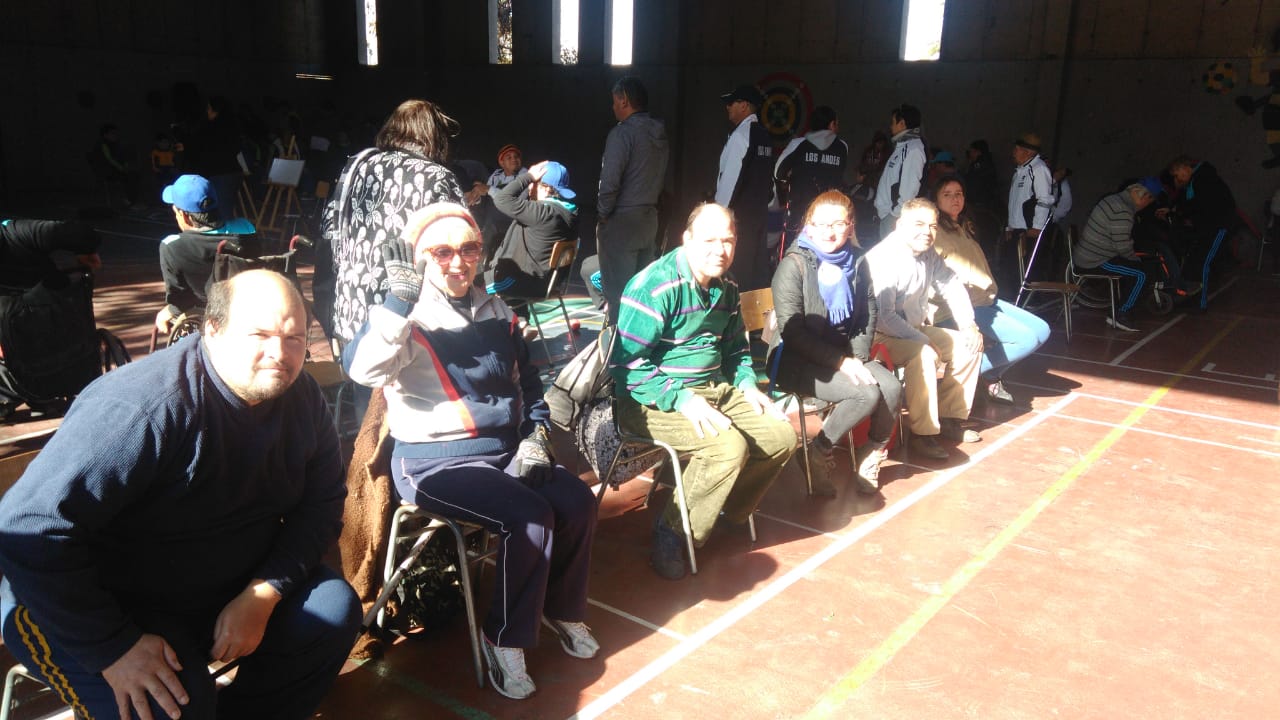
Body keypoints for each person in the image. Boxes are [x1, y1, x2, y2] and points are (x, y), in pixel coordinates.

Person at [0, 269, 361, 720]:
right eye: (260, 335)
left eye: (294, 339)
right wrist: (113, 647)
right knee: (172, 704)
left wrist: (265, 592)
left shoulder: (302, 397)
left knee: (331, 611)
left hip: (214, 592)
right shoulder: (145, 407)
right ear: (213, 329)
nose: (280, 354)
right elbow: (27, 527)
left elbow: (322, 504)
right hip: (89, 604)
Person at [344, 203, 598, 701]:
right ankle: (502, 638)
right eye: (441, 252)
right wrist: (397, 303)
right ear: (418, 257)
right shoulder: (407, 314)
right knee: (528, 517)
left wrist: (536, 434)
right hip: (433, 461)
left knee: (577, 502)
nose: (458, 261)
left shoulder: (496, 309)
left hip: (504, 450)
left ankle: (561, 609)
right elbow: (363, 370)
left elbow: (527, 380)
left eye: (469, 249)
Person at [610, 203, 796, 580]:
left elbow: (736, 350)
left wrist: (747, 385)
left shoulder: (727, 287)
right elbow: (627, 366)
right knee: (727, 448)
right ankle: (672, 530)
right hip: (649, 400)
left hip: (714, 388)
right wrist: (683, 399)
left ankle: (727, 509)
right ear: (687, 239)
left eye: (728, 240)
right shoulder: (655, 286)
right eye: (709, 240)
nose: (720, 250)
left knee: (781, 437)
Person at [768, 191, 901, 495]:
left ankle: (871, 452)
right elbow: (793, 333)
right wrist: (842, 362)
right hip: (796, 359)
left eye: (838, 224)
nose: (829, 232)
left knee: (892, 388)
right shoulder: (794, 265)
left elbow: (867, 312)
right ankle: (818, 452)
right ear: (809, 225)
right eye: (821, 224)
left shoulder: (857, 260)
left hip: (846, 353)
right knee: (865, 395)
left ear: (850, 226)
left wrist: (859, 357)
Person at [321, 97, 465, 352]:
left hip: (351, 310)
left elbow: (328, 226)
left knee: (360, 376)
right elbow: (460, 242)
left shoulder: (357, 166)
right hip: (405, 316)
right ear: (435, 135)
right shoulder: (436, 177)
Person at [865, 198, 984, 461]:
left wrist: (969, 325)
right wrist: (922, 339)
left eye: (932, 226)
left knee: (969, 345)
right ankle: (923, 434)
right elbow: (883, 317)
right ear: (900, 225)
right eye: (918, 224)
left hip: (912, 329)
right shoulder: (885, 258)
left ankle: (950, 417)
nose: (927, 232)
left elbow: (951, 284)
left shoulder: (927, 252)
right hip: (878, 335)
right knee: (924, 355)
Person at [932, 175, 1050, 403]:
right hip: (959, 306)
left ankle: (988, 374)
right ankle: (961, 377)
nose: (955, 199)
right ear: (936, 200)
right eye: (947, 194)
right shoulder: (935, 231)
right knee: (1025, 339)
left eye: (959, 194)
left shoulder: (962, 225)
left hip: (985, 299)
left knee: (1041, 330)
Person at [0, 218, 103, 420]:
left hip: (29, 343)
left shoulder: (15, 234)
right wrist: (86, 252)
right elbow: (83, 234)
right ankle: (38, 399)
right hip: (63, 329)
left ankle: (14, 398)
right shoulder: (17, 232)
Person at [1076, 177, 1200, 331]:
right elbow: (1123, 247)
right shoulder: (1123, 210)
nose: (1148, 204)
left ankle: (1125, 306)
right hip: (1096, 260)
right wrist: (1136, 261)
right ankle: (1120, 314)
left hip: (1094, 254)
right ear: (1144, 197)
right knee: (1141, 275)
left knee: (1139, 268)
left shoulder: (1114, 199)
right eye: (1150, 200)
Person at [597, 76, 670, 323]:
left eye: (614, 101)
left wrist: (603, 214)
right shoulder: (659, 133)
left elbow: (609, 182)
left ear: (624, 100)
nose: (613, 107)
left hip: (623, 221)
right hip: (649, 219)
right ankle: (642, 339)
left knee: (619, 295)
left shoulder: (622, 134)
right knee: (642, 292)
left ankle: (620, 343)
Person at [154, 174, 258, 334]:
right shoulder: (246, 228)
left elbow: (179, 299)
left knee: (164, 319)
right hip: (248, 309)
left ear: (184, 216)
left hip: (207, 320)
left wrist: (169, 311)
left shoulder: (171, 246)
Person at [484, 160, 580, 301]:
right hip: (548, 282)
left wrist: (528, 176)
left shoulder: (542, 213)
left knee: (471, 283)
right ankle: (518, 313)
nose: (529, 188)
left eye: (533, 183)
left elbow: (501, 199)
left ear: (545, 188)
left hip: (523, 282)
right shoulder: (571, 213)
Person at [715, 84, 775, 291]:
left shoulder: (741, 135)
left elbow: (730, 180)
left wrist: (718, 215)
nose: (727, 107)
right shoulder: (765, 136)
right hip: (759, 217)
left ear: (744, 106)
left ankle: (734, 310)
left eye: (731, 103)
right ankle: (754, 312)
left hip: (738, 219)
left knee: (735, 275)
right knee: (756, 273)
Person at [1162, 155, 1238, 310]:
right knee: (1195, 261)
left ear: (1185, 168)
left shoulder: (1205, 179)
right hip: (1207, 227)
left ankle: (1199, 304)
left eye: (1177, 175)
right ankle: (1191, 298)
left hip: (1218, 226)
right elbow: (1185, 201)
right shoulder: (1194, 181)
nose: (1177, 179)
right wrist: (1173, 209)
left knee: (1203, 262)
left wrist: (1178, 211)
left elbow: (1200, 204)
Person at [774, 106, 850, 247]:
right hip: (830, 214)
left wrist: (789, 179)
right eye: (837, 123)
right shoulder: (842, 147)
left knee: (795, 250)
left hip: (800, 212)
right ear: (831, 124)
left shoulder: (798, 144)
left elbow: (778, 172)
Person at [1002, 132, 1054, 297]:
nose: (1013, 152)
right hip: (1017, 230)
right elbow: (1015, 202)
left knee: (1026, 273)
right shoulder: (1020, 171)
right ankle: (1016, 302)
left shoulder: (1039, 169)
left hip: (1028, 232)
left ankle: (1028, 304)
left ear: (1028, 152)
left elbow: (1044, 200)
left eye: (1017, 149)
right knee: (1012, 271)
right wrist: (1009, 227)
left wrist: (1037, 228)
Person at [874, 104, 927, 239]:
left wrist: (895, 215)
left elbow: (910, 189)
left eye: (893, 122)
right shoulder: (903, 146)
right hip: (888, 216)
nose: (890, 126)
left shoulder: (913, 150)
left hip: (894, 219)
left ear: (902, 123)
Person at [92, 123, 140, 207]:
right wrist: (121, 168)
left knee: (134, 175)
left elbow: (121, 157)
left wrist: (125, 165)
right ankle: (128, 201)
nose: (115, 135)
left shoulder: (116, 145)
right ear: (105, 135)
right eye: (112, 133)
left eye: (116, 133)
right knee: (129, 178)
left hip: (116, 169)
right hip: (107, 171)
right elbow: (109, 159)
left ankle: (131, 200)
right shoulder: (103, 145)